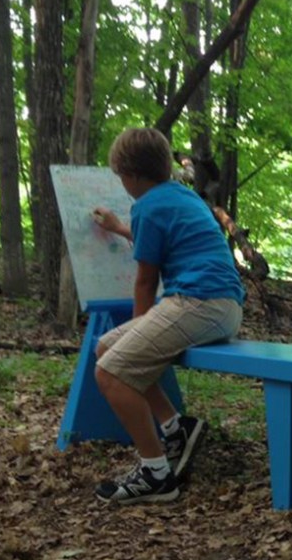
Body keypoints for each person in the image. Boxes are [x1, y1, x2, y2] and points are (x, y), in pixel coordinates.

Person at [90, 127, 245, 505]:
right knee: (105, 347)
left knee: (110, 371)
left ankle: (156, 474)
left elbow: (145, 282)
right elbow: (160, 240)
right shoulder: (181, 195)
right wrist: (118, 228)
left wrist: (137, 332)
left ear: (132, 176)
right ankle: (176, 429)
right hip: (221, 305)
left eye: (120, 176)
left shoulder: (147, 206)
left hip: (200, 304)